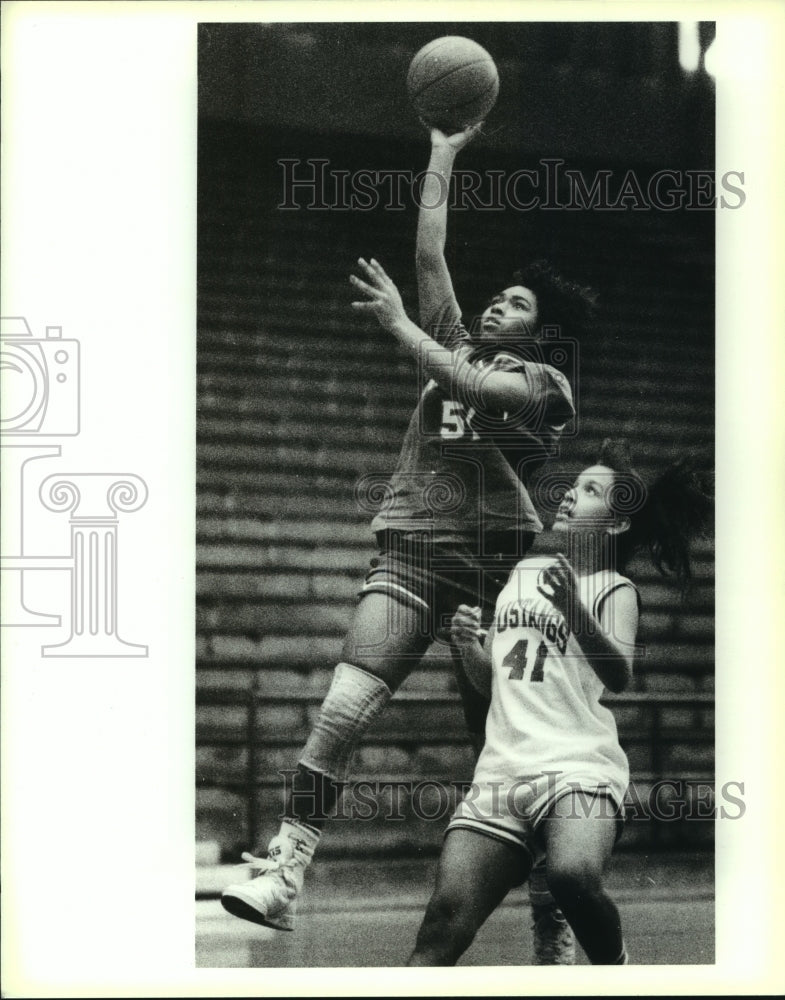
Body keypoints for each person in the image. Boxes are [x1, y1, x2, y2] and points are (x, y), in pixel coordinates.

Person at [220, 125, 596, 943]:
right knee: (345, 706)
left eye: (516, 302)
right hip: (417, 547)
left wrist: (400, 327)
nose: (497, 303)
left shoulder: (545, 385)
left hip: (504, 569)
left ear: (540, 330)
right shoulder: (457, 340)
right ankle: (286, 871)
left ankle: (548, 918)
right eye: (495, 295)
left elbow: (460, 377)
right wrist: (443, 151)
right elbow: (430, 259)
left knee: (506, 756)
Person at [407, 439, 712, 965]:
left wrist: (572, 605)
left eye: (590, 490)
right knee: (441, 924)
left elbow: (618, 673)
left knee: (572, 874)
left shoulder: (615, 589)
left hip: (578, 767)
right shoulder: (523, 577)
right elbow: (494, 684)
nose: (569, 497)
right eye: (572, 487)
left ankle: (615, 970)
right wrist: (466, 647)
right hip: (504, 771)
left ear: (615, 524)